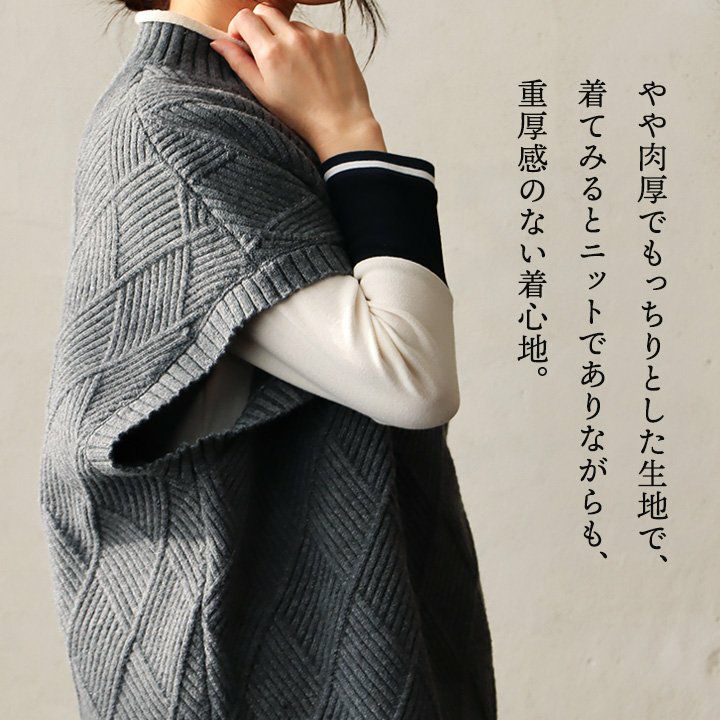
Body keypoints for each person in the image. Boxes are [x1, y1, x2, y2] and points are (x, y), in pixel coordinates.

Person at [38, 2, 498, 718]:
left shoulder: (240, 106)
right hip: (269, 675)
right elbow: (411, 377)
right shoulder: (174, 125)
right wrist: (351, 133)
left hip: (337, 654)